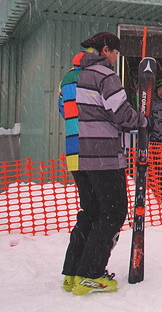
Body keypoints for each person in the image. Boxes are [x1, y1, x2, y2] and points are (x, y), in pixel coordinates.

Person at [58, 32, 146, 295]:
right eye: (115, 53)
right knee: (114, 210)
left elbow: (64, 110)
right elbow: (121, 113)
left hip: (76, 154)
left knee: (91, 211)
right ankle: (91, 274)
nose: (116, 58)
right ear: (105, 49)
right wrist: (143, 121)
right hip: (102, 155)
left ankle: (72, 273)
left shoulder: (68, 77)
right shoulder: (104, 75)